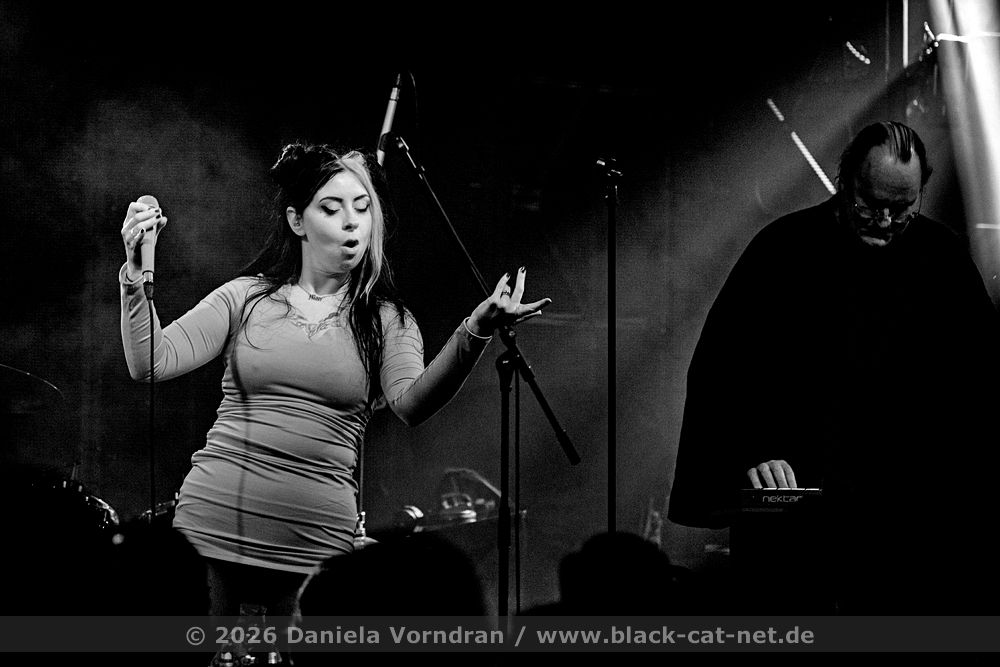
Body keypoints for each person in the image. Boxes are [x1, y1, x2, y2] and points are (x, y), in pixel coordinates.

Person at [118, 143, 550, 630]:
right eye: (331, 208)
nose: (351, 223)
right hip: (211, 525)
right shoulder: (246, 298)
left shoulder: (387, 321)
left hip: (317, 542)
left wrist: (476, 329)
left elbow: (411, 404)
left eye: (362, 208)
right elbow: (150, 362)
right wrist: (134, 272)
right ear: (297, 221)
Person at [667, 121, 1000, 614]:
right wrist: (754, 452)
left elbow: (984, 375)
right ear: (845, 182)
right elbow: (721, 371)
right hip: (799, 517)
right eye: (872, 204)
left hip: (907, 521)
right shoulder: (783, 249)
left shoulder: (941, 256)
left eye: (903, 208)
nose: (885, 221)